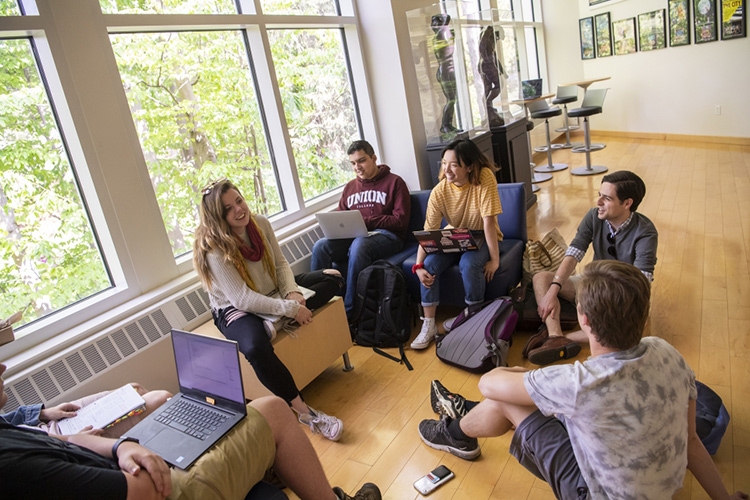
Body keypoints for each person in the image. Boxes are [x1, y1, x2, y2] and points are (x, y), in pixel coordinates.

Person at [418, 261, 748, 500]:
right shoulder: (666, 351)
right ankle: (460, 428)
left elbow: (488, 383)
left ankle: (455, 433)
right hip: (661, 490)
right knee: (535, 396)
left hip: (593, 494)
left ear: (584, 320)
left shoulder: (579, 382)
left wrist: (525, 377)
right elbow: (691, 440)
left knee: (506, 398)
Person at [0, 363, 382, 500]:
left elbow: (55, 439)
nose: (3, 366)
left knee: (160, 402)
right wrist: (125, 448)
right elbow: (144, 493)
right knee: (272, 410)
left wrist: (118, 447)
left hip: (120, 464)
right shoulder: (12, 463)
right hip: (157, 489)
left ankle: (267, 466)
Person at [192, 179, 345, 441]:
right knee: (255, 347)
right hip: (236, 308)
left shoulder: (260, 223)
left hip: (272, 291)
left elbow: (281, 264)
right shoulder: (214, 250)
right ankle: (305, 412)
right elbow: (241, 298)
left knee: (333, 279)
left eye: (239, 201)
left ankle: (273, 322)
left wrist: (292, 294)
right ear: (218, 218)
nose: (239, 210)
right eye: (229, 209)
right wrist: (290, 309)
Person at [525, 170, 658, 365]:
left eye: (607, 198)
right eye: (599, 196)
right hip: (591, 284)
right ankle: (555, 336)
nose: (598, 203)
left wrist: (620, 305)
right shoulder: (594, 216)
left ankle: (565, 339)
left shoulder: (646, 232)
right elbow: (574, 253)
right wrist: (553, 290)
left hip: (621, 294)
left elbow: (641, 282)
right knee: (541, 278)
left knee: (625, 329)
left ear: (627, 203)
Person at [410, 139, 502, 350]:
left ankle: (475, 319)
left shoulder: (484, 178)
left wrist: (494, 260)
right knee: (430, 265)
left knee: (469, 265)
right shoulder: (439, 191)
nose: (447, 170)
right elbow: (428, 234)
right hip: (455, 234)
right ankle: (430, 324)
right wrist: (418, 267)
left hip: (481, 233)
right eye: (444, 163)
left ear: (469, 166)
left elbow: (488, 222)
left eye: (454, 164)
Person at [310, 140, 411, 320]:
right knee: (320, 246)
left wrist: (367, 222)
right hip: (356, 236)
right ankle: (317, 306)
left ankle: (350, 313)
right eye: (353, 163)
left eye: (362, 161)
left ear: (374, 158)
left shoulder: (395, 182)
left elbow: (400, 221)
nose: (358, 167)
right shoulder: (350, 187)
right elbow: (341, 217)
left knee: (359, 245)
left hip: (388, 236)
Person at [1, 382, 171, 438]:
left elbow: (8, 423)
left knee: (134, 389)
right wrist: (71, 440)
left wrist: (42, 413)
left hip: (43, 424)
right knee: (162, 399)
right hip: (57, 439)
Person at [431, 13, 459, 136]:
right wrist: (452, 37)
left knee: (453, 99)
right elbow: (448, 52)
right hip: (445, 71)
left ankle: (448, 124)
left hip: (448, 70)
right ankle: (445, 125)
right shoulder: (438, 38)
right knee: (451, 99)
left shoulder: (441, 37)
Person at [478, 25, 504, 127]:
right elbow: (484, 50)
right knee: (498, 85)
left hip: (485, 63)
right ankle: (488, 104)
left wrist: (502, 70)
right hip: (487, 64)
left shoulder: (491, 38)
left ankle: (489, 109)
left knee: (487, 88)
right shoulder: (487, 35)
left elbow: (494, 55)